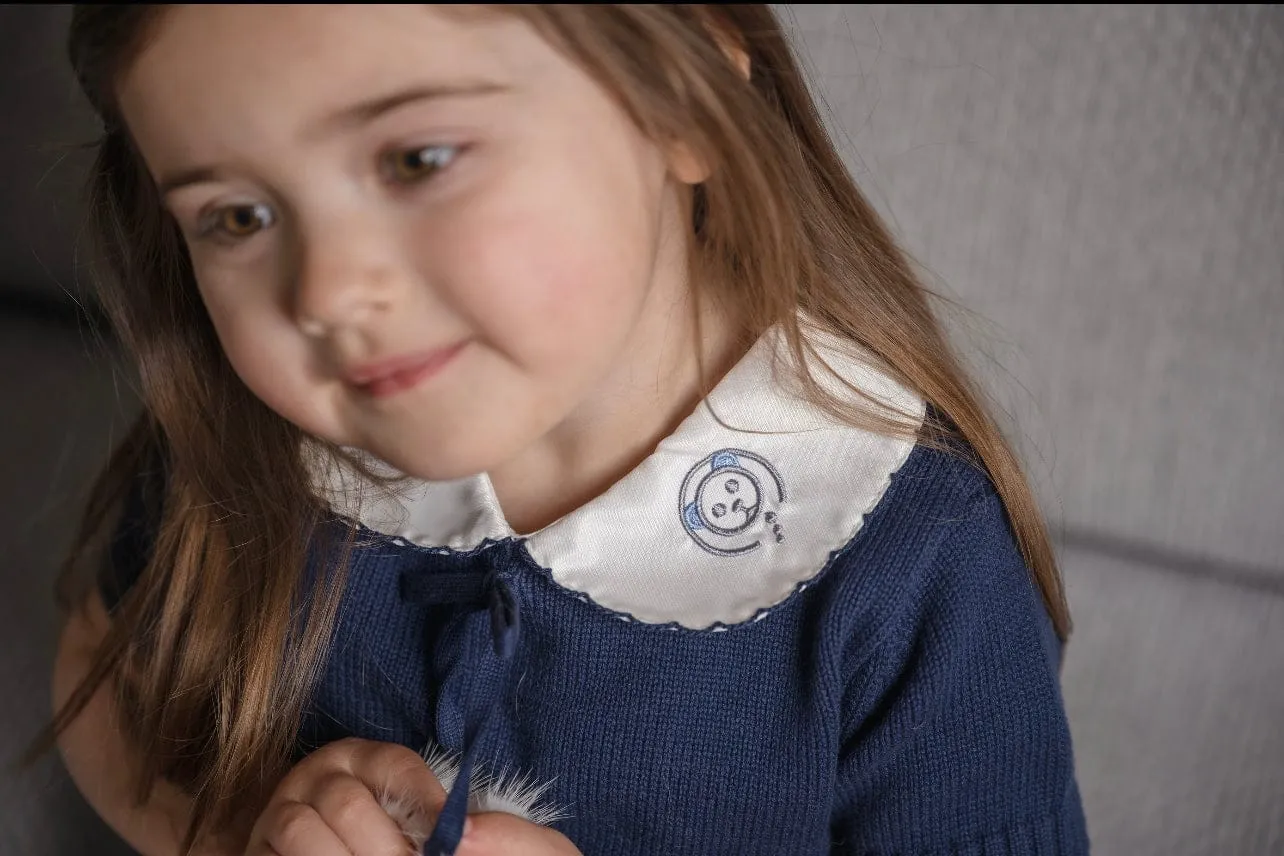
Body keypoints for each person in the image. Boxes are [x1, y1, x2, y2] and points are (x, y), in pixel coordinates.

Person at [42, 5, 1090, 855]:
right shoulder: (260, 442)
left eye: (418, 158)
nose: (326, 292)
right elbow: (107, 668)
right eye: (237, 217)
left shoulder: (917, 564)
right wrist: (232, 834)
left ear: (685, 100)